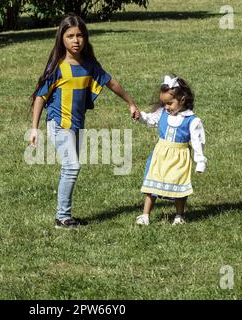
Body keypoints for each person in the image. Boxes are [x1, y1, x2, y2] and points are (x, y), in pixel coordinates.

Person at [29, 13, 140, 229]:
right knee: (72, 166)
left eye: (80, 35)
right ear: (62, 38)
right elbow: (40, 97)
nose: (76, 40)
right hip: (59, 123)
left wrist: (131, 103)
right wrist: (34, 128)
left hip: (77, 124)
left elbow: (110, 82)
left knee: (69, 168)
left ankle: (65, 215)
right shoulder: (58, 67)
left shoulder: (89, 65)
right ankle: (62, 218)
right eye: (70, 35)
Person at [135, 75, 207, 226]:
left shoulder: (192, 121)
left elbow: (197, 142)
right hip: (160, 156)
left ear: (182, 99)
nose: (166, 107)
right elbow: (149, 119)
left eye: (169, 103)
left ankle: (179, 216)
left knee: (179, 187)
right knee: (151, 185)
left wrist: (200, 162)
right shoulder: (162, 114)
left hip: (179, 157)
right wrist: (139, 116)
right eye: (164, 103)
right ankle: (145, 215)